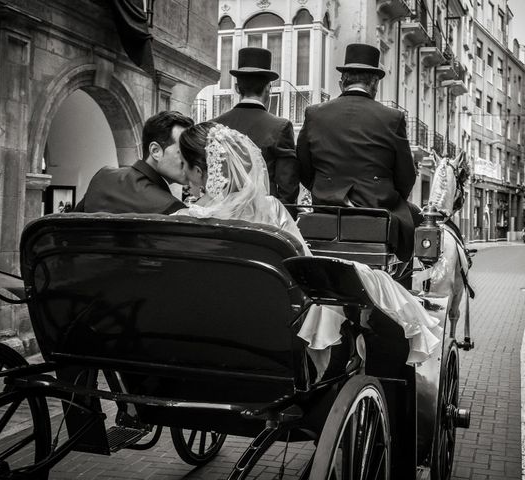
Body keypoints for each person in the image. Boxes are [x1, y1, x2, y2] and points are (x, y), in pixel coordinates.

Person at [175, 122, 442, 368]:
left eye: (183, 165)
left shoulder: (179, 222)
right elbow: (302, 261)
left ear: (199, 172)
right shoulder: (269, 211)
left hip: (193, 333)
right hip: (267, 330)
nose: (182, 174)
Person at [296, 43, 418, 262]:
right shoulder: (392, 117)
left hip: (326, 209)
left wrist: (325, 187)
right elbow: (406, 175)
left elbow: (303, 168)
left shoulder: (314, 113)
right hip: (376, 211)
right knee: (416, 220)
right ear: (374, 83)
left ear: (343, 81)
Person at [213, 47, 299, 206]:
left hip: (222, 214)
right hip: (262, 217)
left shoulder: (214, 125)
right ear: (268, 88)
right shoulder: (280, 127)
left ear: (237, 88)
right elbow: (288, 186)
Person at [74, 111, 194, 214]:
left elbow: (68, 224)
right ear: (155, 151)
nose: (191, 158)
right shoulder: (171, 208)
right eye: (184, 151)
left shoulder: (103, 176)